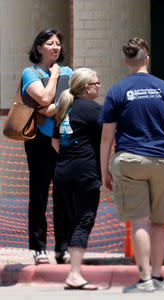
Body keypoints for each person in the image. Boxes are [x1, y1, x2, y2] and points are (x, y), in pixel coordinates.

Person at [100, 37, 164, 293]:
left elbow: (107, 136)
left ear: (127, 61)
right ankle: (158, 276)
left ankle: (145, 279)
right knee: (160, 222)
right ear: (147, 59)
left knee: (139, 222)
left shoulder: (117, 90)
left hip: (130, 160)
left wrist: (103, 169)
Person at [22, 28, 72, 265]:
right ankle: (38, 248)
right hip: (39, 141)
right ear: (39, 47)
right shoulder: (29, 73)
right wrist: (54, 76)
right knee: (39, 193)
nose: (55, 47)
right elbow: (42, 98)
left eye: (58, 44)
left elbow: (71, 102)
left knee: (63, 194)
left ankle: (63, 248)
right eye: (50, 43)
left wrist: (51, 108)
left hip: (63, 137)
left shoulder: (70, 72)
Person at [52, 68, 102, 290]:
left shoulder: (65, 107)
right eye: (97, 83)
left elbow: (55, 143)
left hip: (63, 172)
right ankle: (74, 274)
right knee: (84, 221)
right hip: (85, 174)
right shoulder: (93, 109)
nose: (99, 86)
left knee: (73, 221)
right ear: (87, 87)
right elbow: (108, 138)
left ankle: (73, 266)